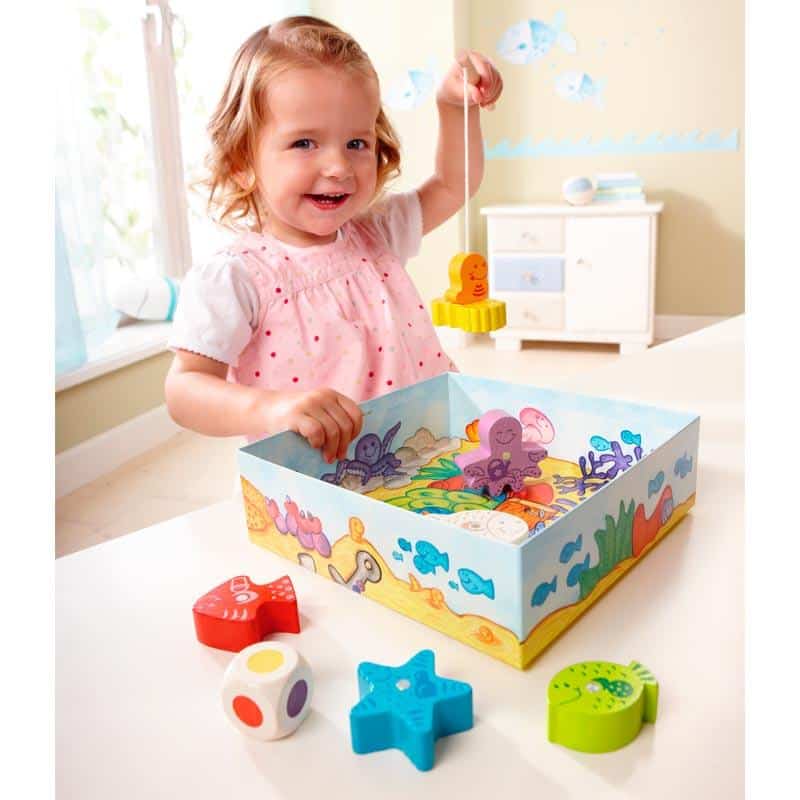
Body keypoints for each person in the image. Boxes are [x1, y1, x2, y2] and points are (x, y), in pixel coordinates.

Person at [165, 15, 503, 465]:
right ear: (242, 163)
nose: (339, 167)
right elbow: (184, 390)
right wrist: (272, 408)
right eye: (305, 143)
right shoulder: (235, 278)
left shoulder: (376, 232)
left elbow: (452, 185)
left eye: (356, 144)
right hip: (319, 481)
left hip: (422, 453)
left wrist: (454, 107)